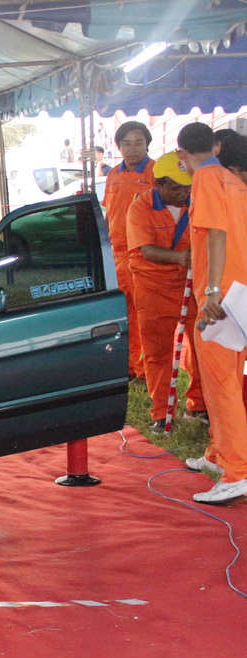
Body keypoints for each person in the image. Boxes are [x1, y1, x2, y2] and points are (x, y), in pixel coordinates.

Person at [176, 122, 247, 504]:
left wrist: (213, 290)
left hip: (222, 299)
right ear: (215, 146)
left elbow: (217, 233)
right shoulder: (234, 181)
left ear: (181, 155)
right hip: (240, 294)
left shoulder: (206, 178)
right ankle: (220, 455)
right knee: (228, 381)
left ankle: (238, 471)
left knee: (221, 387)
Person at [126, 152, 205, 433]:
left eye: (187, 187)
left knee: (202, 347)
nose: (183, 193)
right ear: (158, 184)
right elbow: (146, 249)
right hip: (153, 288)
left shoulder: (197, 201)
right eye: (176, 188)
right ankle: (162, 412)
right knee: (157, 351)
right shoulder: (140, 207)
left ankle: (199, 406)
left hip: (191, 285)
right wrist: (180, 258)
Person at [103, 121, 154, 381]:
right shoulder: (113, 174)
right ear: (118, 146)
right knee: (125, 314)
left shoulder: (156, 173)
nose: (132, 149)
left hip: (145, 255)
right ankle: (131, 367)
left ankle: (147, 370)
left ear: (147, 144)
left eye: (138, 143)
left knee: (146, 315)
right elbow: (108, 212)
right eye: (126, 144)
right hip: (117, 255)